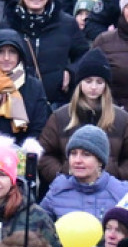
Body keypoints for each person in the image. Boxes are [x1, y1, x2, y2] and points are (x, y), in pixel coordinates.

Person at [39, 48, 128, 194]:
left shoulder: (121, 118)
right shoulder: (60, 116)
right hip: (69, 191)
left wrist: (116, 175)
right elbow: (45, 154)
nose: (94, 87)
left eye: (99, 82)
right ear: (79, 83)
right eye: (88, 81)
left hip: (110, 192)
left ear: (106, 85)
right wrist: (63, 174)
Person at [41, 125, 128, 221]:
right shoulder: (57, 191)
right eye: (73, 153)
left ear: (100, 160)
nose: (77, 160)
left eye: (86, 154)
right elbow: (37, 231)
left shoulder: (121, 193)